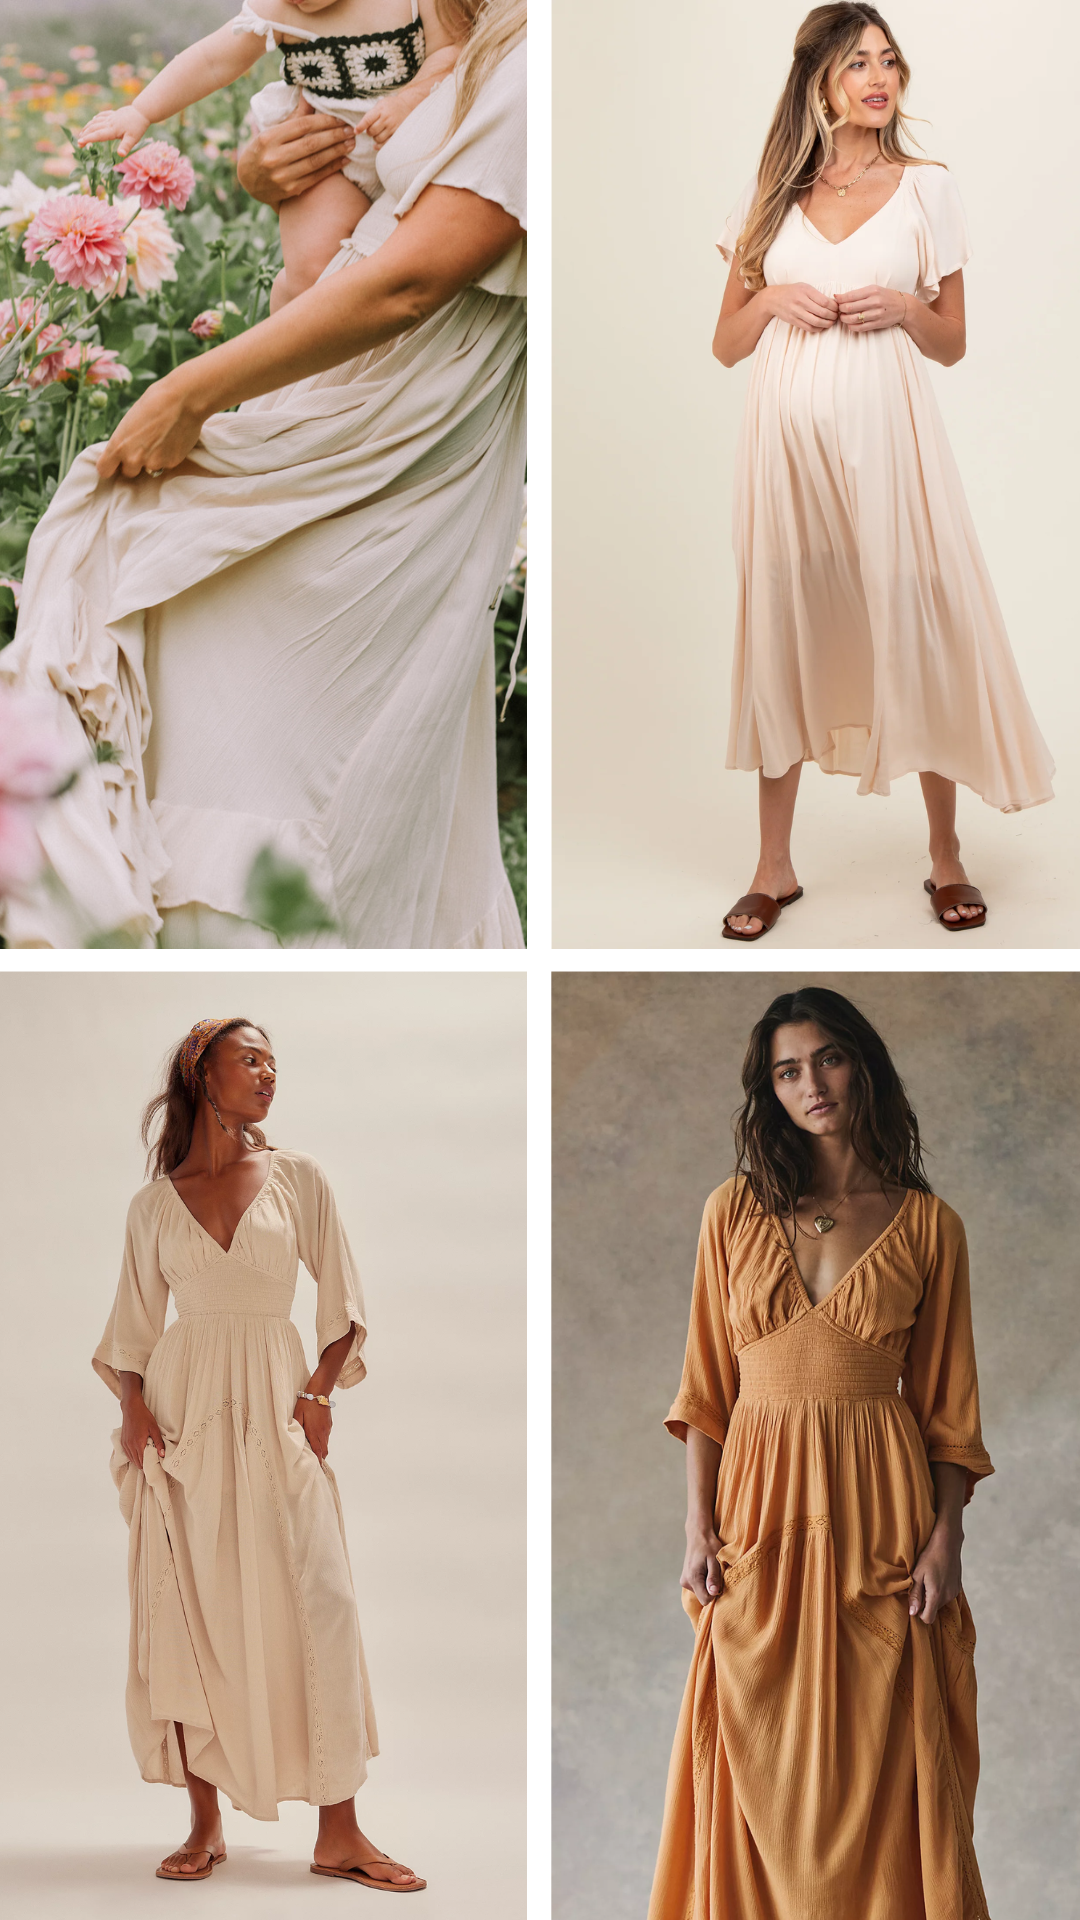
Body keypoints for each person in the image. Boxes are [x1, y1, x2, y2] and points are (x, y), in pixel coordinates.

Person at [1, 0, 525, 949]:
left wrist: (191, 391)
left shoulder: (526, 51)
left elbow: (411, 276)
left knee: (329, 716)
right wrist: (266, 162)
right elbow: (290, 110)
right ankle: (221, 935)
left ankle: (295, 939)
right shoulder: (466, 18)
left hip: (411, 425)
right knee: (202, 631)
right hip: (336, 390)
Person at [649, 987, 993, 1919]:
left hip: (882, 1512)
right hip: (759, 1512)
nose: (812, 1084)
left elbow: (949, 1412)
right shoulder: (732, 1210)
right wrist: (696, 1527)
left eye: (829, 1058)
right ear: (770, 1091)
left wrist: (945, 1538)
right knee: (754, 1749)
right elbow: (706, 1393)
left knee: (886, 1757)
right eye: (788, 1071)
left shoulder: (930, 1226)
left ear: (864, 1064)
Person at [714, 4, 1052, 942]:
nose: (879, 78)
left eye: (890, 63)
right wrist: (773, 296)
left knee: (917, 618)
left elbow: (952, 343)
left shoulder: (926, 188)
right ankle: (772, 868)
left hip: (891, 444)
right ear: (817, 76)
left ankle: (946, 856)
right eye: (858, 62)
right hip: (783, 454)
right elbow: (724, 343)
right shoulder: (772, 192)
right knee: (783, 628)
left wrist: (905, 306)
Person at [93, 1016, 424, 1889]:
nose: (270, 1073)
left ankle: (340, 1832)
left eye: (275, 1061)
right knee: (189, 1612)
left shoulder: (299, 1179)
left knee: (320, 1602)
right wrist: (132, 1411)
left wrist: (316, 1393)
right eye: (252, 1060)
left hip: (277, 1409)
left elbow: (343, 1302)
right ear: (206, 1077)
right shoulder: (153, 1205)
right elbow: (131, 1331)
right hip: (183, 1422)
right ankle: (203, 1824)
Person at [78, 0, 465, 310]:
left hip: (411, 146)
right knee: (314, 271)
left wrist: (408, 100)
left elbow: (451, 51)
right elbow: (211, 60)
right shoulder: (279, 10)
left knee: (414, 267)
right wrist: (142, 111)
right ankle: (294, 320)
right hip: (331, 163)